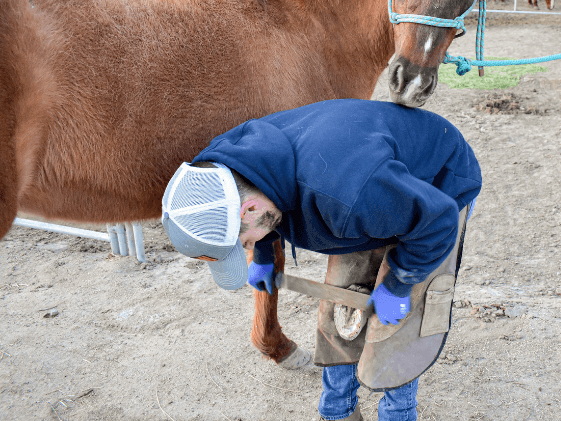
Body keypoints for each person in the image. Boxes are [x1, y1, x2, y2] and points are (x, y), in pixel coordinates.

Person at [161, 99, 481, 421]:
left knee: (396, 331)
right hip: (366, 190)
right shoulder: (227, 165)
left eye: (244, 242)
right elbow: (259, 189)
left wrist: (399, 283)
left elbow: (439, 221)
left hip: (435, 190)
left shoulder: (343, 193)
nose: (248, 245)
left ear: (250, 211)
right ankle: (337, 412)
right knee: (341, 315)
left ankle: (397, 414)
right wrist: (263, 254)